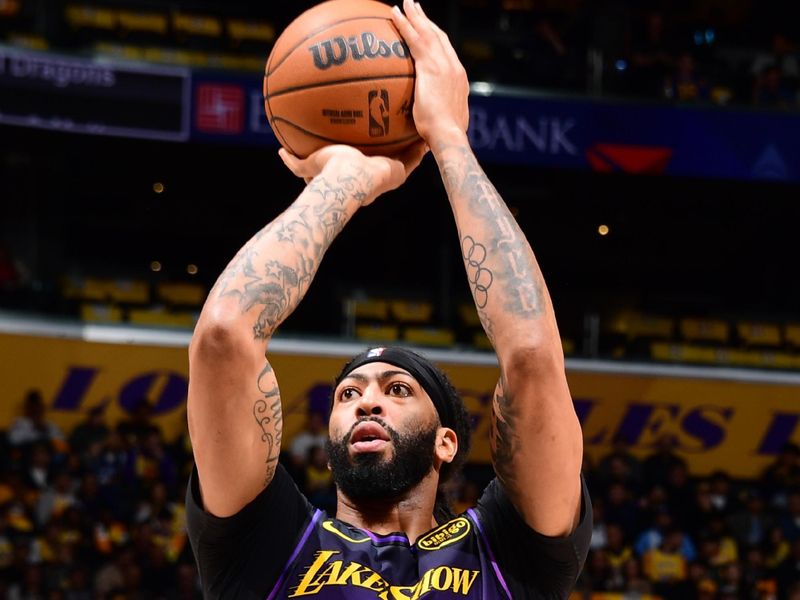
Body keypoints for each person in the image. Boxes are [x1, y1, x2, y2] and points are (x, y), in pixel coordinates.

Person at [185, 2, 591, 598]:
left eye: (396, 390)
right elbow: (224, 336)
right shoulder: (270, 546)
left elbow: (532, 356)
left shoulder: (508, 555)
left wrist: (450, 139)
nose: (365, 404)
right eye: (348, 394)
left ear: (445, 441)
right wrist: (344, 181)